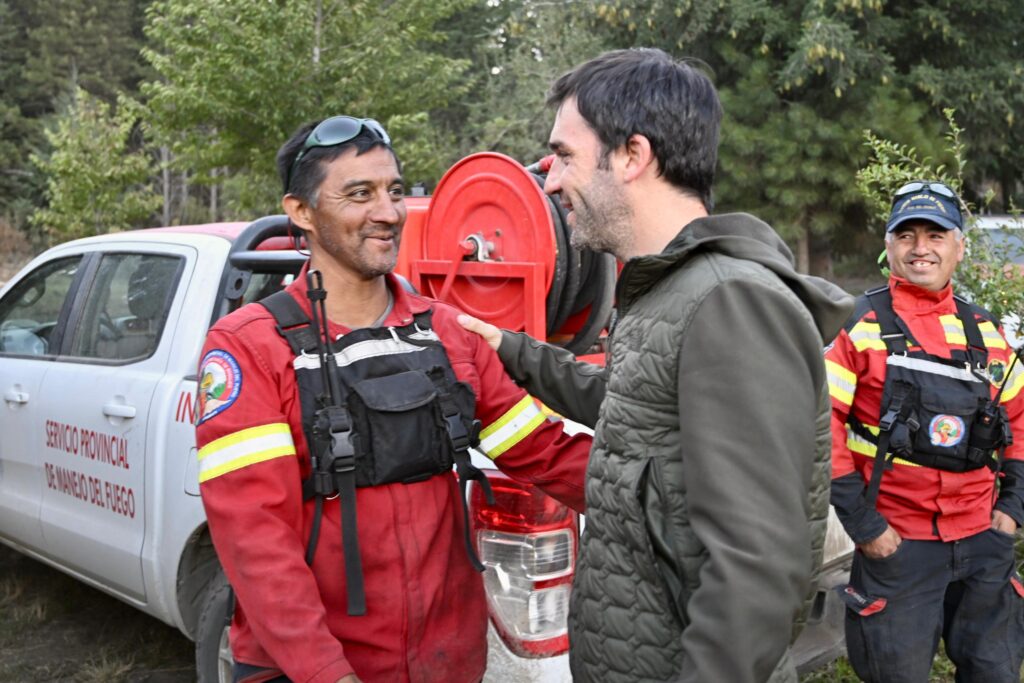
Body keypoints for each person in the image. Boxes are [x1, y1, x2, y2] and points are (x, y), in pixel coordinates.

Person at [458, 48, 853, 683]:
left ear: (632, 156)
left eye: (564, 157)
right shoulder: (668, 291)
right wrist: (507, 347)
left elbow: (756, 571)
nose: (550, 182)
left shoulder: (729, 301)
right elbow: (630, 405)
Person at [194, 116, 591, 683]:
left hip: (446, 664)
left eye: (394, 191)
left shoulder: (448, 334)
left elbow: (546, 453)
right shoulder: (250, 348)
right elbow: (257, 543)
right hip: (312, 669)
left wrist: (673, 497)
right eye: (359, 194)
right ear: (301, 211)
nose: (388, 212)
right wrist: (327, 674)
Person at [826, 182, 1024, 682]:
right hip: (897, 545)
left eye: (935, 235)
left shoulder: (987, 332)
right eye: (906, 235)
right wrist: (867, 529)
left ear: (959, 247)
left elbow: (1020, 420)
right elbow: (818, 431)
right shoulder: (857, 326)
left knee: (996, 672)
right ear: (888, 246)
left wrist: (1012, 510)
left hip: (983, 542)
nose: (921, 248)